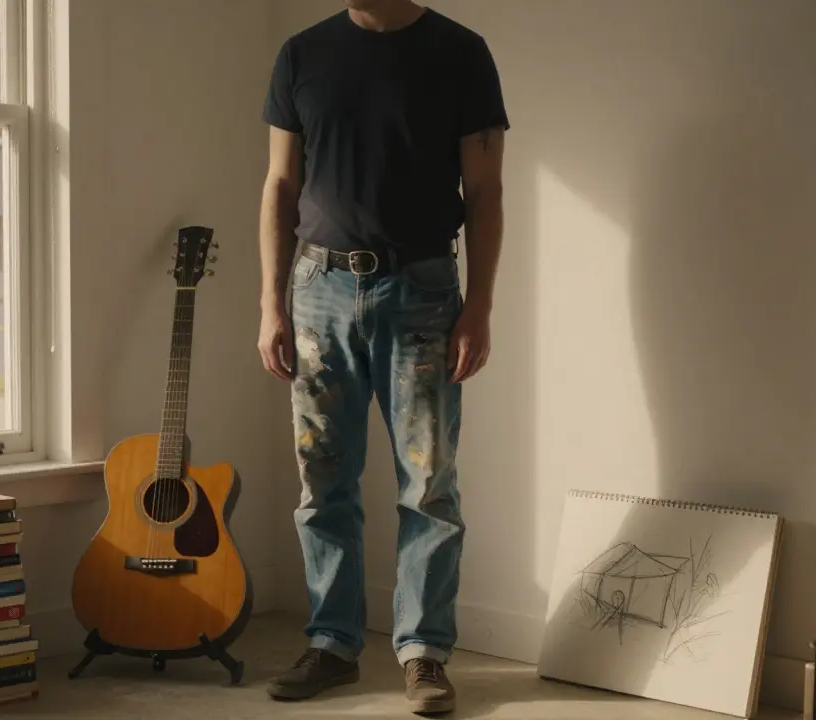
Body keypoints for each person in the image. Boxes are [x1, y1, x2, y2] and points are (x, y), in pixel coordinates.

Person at [256, 0, 508, 714]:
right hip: (317, 289)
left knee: (429, 485)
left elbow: (485, 191)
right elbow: (280, 185)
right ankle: (332, 644)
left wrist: (480, 306)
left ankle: (424, 653)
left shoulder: (461, 53)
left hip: (423, 291)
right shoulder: (301, 54)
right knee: (322, 480)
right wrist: (270, 303)